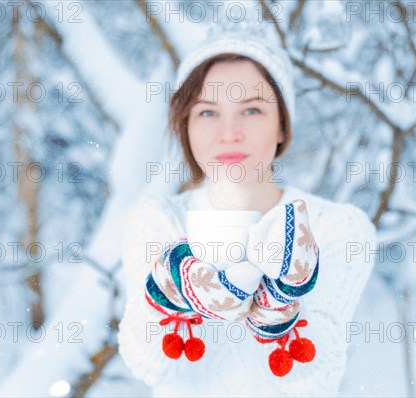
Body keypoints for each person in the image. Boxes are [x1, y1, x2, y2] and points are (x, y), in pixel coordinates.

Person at [118, 21, 376, 397]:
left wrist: (280, 306)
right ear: (185, 126)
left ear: (282, 126)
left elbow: (318, 372)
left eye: (252, 110)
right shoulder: (158, 223)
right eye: (208, 112)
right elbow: (147, 362)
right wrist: (171, 296)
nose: (229, 132)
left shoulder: (335, 229)